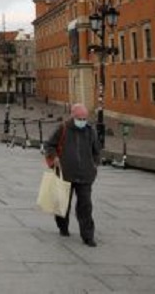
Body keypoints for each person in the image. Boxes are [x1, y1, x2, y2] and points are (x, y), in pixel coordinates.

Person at [44, 103, 101, 247]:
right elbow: (49, 144)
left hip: (86, 175)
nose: (82, 121)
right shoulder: (63, 128)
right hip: (66, 173)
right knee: (63, 203)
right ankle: (63, 226)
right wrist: (54, 156)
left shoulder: (90, 131)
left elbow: (96, 150)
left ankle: (88, 236)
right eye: (79, 118)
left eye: (84, 118)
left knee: (85, 206)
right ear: (73, 116)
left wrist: (94, 165)